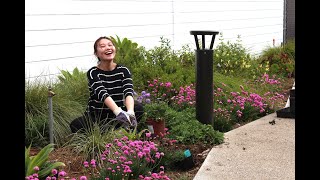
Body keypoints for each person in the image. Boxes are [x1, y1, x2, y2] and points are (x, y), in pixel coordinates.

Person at [70, 36, 144, 133]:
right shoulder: (93, 72)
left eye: (110, 45)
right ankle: (103, 133)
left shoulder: (123, 71)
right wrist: (118, 112)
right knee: (76, 124)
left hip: (117, 116)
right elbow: (103, 94)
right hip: (97, 116)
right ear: (96, 53)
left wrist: (130, 113)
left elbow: (128, 92)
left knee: (138, 108)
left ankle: (122, 130)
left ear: (114, 49)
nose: (108, 48)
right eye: (102, 46)